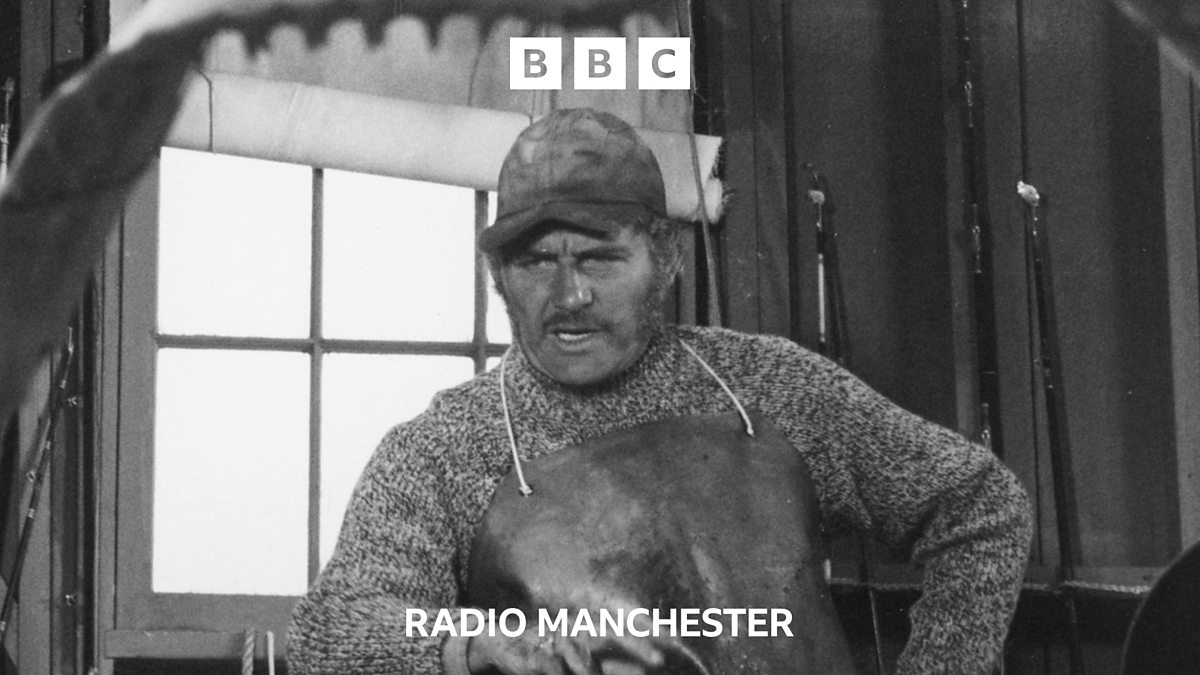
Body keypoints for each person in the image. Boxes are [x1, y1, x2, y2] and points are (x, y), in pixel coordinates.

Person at [287, 107, 1032, 675]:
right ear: (498, 277)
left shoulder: (770, 386)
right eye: (537, 262)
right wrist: (463, 643)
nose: (569, 295)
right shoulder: (446, 448)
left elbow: (980, 505)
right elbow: (330, 630)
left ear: (665, 258)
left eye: (600, 258)